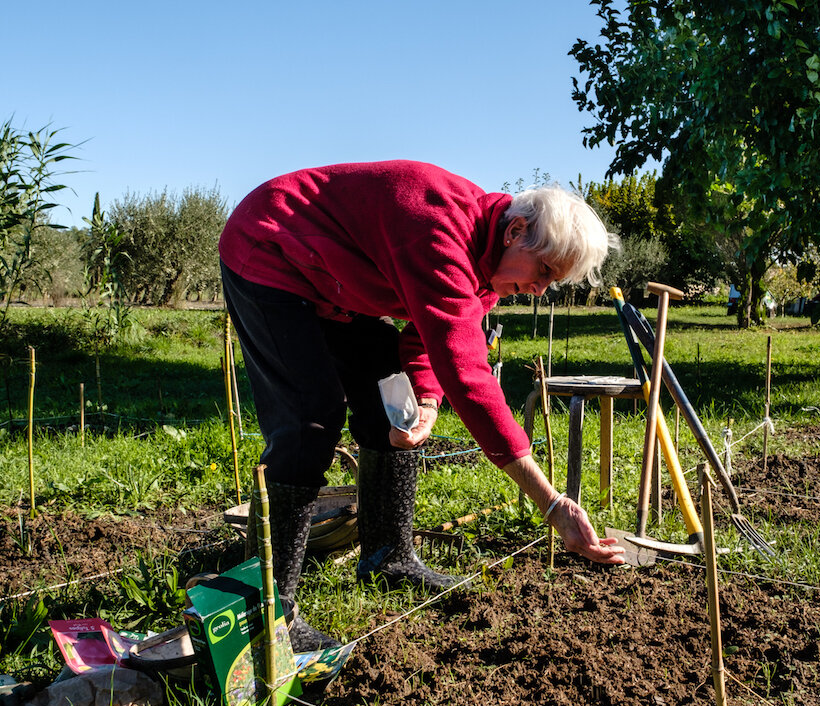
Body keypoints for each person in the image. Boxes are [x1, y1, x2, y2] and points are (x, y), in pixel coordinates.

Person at [219, 160, 626, 652]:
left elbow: (424, 335)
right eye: (543, 271)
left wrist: (427, 401)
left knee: (390, 401)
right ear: (516, 230)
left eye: (552, 281)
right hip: (271, 250)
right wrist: (553, 504)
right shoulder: (438, 231)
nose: (540, 289)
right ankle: (267, 612)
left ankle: (389, 557)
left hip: (333, 279)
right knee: (310, 417)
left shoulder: (486, 260)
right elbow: (468, 374)